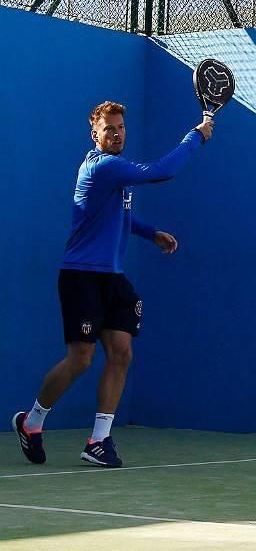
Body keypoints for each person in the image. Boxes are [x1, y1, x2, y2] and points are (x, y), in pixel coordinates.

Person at [12, 101, 214, 468]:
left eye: (121, 127)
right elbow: (160, 171)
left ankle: (98, 441)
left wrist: (150, 233)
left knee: (121, 352)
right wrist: (195, 136)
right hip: (81, 275)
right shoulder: (102, 166)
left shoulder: (115, 174)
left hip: (112, 277)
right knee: (81, 359)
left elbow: (119, 216)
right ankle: (32, 421)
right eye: (109, 129)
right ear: (96, 135)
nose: (117, 133)